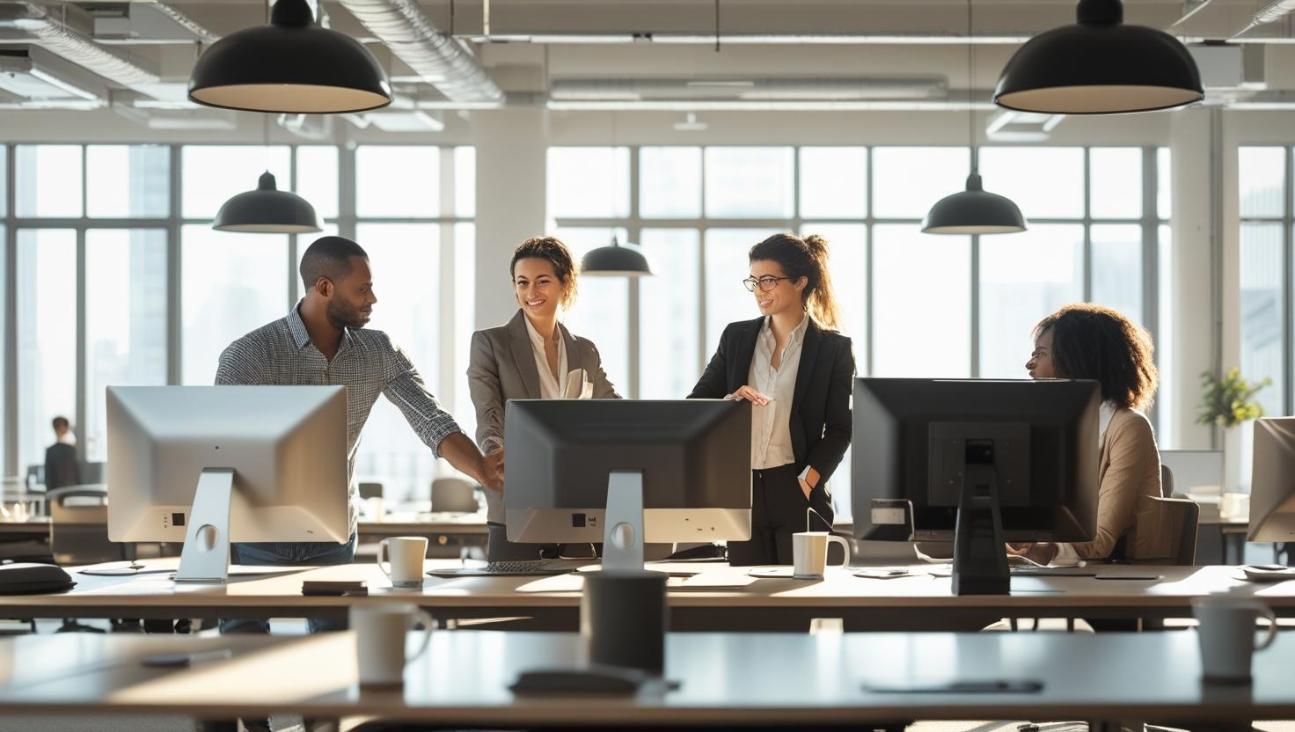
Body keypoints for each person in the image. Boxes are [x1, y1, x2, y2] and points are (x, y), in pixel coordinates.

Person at [216, 235, 503, 619]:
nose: (373, 299)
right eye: (363, 289)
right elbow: (219, 450)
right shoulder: (250, 355)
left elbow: (431, 420)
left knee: (334, 653)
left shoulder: (378, 351)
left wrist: (481, 469)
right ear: (324, 287)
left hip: (333, 535)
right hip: (256, 536)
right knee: (243, 651)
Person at [689, 233, 854, 566]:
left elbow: (840, 428)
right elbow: (695, 405)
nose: (760, 290)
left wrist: (808, 480)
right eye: (754, 281)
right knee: (746, 603)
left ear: (799, 281)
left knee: (798, 603)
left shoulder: (832, 349)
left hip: (795, 488)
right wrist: (730, 401)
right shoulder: (736, 337)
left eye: (768, 280)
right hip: (743, 490)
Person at [467, 236, 619, 560]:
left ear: (565, 284)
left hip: (578, 505)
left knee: (576, 606)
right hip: (518, 503)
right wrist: (495, 454)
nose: (531, 293)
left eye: (542, 281)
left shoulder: (584, 350)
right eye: (522, 283)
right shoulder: (490, 345)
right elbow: (489, 414)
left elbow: (613, 409)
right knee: (511, 605)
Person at [1010, 303, 1165, 565]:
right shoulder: (1055, 429)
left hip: (1114, 582)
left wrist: (1043, 549)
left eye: (1040, 354)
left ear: (1076, 360)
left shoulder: (1128, 427)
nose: (1029, 364)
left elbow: (1100, 540)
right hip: (1058, 577)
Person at [44, 416, 80, 490]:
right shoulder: (71, 449)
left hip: (66, 491)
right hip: (66, 491)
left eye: (59, 426)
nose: (58, 430)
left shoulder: (71, 450)